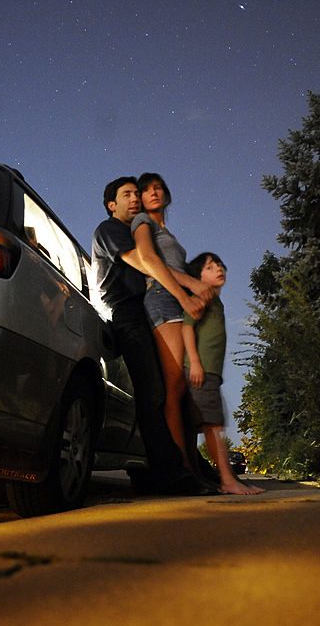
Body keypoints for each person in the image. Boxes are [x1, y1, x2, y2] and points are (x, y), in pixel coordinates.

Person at [92, 177, 215, 496]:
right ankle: (171, 475)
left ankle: (183, 467)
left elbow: (155, 263)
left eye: (137, 194)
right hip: (126, 315)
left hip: (146, 314)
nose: (135, 199)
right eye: (126, 195)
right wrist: (189, 287)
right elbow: (146, 264)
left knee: (174, 392)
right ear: (112, 205)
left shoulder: (138, 232)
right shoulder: (110, 230)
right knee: (154, 394)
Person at [131, 172, 214, 468]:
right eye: (147, 189)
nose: (153, 193)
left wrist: (199, 289)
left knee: (189, 389)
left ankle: (191, 464)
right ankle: (180, 468)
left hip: (180, 301)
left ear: (166, 194)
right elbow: (150, 262)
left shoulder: (169, 233)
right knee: (175, 385)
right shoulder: (142, 222)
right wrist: (187, 292)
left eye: (158, 188)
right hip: (163, 299)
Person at [182, 252, 264, 495]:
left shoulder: (217, 302)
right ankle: (228, 480)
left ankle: (221, 478)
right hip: (201, 371)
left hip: (211, 373)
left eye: (219, 264)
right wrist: (195, 362)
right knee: (213, 425)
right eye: (210, 266)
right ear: (198, 276)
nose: (218, 268)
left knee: (209, 424)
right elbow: (187, 328)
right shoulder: (203, 297)